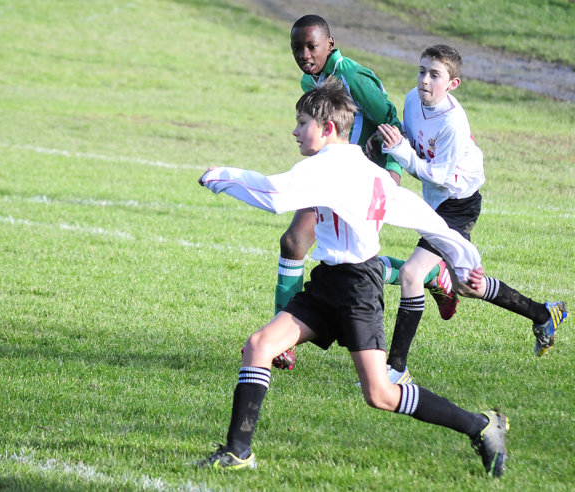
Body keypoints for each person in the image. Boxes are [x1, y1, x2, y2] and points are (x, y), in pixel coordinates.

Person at [196, 77, 508, 477]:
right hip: (329, 282)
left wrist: (220, 176)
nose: (294, 131)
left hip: (359, 289)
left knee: (379, 394)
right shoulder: (366, 169)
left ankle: (481, 426)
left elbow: (274, 196)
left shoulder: (331, 167)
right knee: (259, 346)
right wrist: (463, 260)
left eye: (302, 122)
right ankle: (238, 451)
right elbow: (426, 219)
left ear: (327, 129)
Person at [271, 15, 454, 375]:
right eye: (298, 47)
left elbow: (390, 119)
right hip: (331, 174)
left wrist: (391, 171)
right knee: (294, 242)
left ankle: (432, 276)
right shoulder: (311, 79)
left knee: (354, 261)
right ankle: (284, 343)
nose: (305, 54)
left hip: (363, 178)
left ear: (331, 43)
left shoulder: (353, 77)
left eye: (311, 46)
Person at [375, 45, 567, 380]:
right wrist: (390, 140)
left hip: (457, 204)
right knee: (467, 286)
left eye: (435, 74)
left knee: (410, 275)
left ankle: (396, 368)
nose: (424, 80)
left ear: (453, 83)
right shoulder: (411, 98)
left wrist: (401, 153)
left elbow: (437, 175)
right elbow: (413, 135)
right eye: (422, 71)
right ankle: (542, 314)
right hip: (437, 202)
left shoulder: (453, 123)